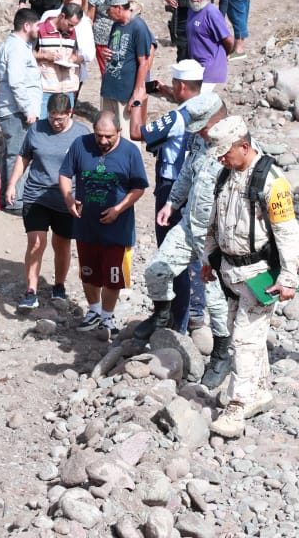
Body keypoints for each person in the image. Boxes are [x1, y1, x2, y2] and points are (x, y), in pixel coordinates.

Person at [201, 116, 299, 438]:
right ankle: (258, 390)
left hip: (261, 274)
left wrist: (289, 277)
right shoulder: (225, 175)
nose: (221, 159)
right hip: (230, 271)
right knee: (242, 331)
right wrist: (208, 259)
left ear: (244, 147)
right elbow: (214, 221)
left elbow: (288, 232)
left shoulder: (272, 182)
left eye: (226, 153)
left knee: (245, 338)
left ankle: (237, 406)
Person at [147, 95, 230, 378]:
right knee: (157, 270)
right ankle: (162, 320)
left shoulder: (240, 147)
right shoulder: (199, 139)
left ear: (218, 119)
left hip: (218, 235)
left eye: (203, 127)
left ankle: (221, 355)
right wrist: (172, 202)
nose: (199, 132)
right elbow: (186, 171)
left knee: (216, 299)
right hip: (189, 225)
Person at [58, 112, 148, 339]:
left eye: (109, 136)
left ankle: (107, 316)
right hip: (86, 225)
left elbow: (138, 187)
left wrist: (118, 209)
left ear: (119, 131)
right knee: (88, 272)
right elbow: (65, 174)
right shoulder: (80, 145)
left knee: (113, 276)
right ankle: (94, 311)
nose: (103, 141)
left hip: (118, 228)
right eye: (99, 135)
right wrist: (69, 198)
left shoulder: (130, 151)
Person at [135, 61, 205, 334]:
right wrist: (167, 92)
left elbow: (137, 132)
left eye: (175, 85)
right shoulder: (211, 107)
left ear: (182, 85)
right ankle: (196, 312)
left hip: (171, 187)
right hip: (198, 188)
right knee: (193, 250)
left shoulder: (176, 118)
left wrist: (138, 101)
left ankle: (175, 321)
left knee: (171, 253)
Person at [6, 93, 90, 308]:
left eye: (60, 118)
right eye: (52, 117)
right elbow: (24, 157)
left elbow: (89, 167)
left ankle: (59, 285)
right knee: (36, 242)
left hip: (67, 199)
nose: (55, 123)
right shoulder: (37, 129)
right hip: (36, 195)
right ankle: (31, 290)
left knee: (62, 244)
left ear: (70, 113)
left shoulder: (82, 134)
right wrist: (12, 183)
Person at [0, 8, 42, 213]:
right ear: (27, 26)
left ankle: (6, 198)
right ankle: (15, 202)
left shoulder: (18, 46)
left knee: (11, 154)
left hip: (13, 110)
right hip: (16, 111)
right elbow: (16, 82)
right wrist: (27, 109)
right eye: (37, 25)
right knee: (17, 156)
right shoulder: (16, 48)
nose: (39, 29)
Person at [98, 0, 153, 136]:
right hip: (110, 89)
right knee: (108, 132)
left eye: (109, 9)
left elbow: (144, 63)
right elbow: (116, 52)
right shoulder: (116, 25)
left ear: (118, 8)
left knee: (127, 135)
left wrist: (136, 94)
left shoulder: (139, 27)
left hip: (126, 93)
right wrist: (105, 55)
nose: (107, 13)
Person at [87, 0, 140, 73]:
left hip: (126, 38)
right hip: (103, 39)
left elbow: (136, 13)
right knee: (107, 71)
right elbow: (90, 17)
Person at [184, 0, 233, 86]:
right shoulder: (192, 9)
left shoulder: (211, 13)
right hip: (196, 68)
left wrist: (225, 54)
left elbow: (228, 40)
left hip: (210, 71)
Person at [35, 2, 82, 107]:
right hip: (45, 89)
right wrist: (45, 56)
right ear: (62, 16)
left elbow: (74, 54)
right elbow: (28, 53)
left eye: (74, 26)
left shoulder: (72, 32)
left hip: (67, 90)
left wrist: (72, 60)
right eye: (70, 24)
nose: (71, 29)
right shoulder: (40, 30)